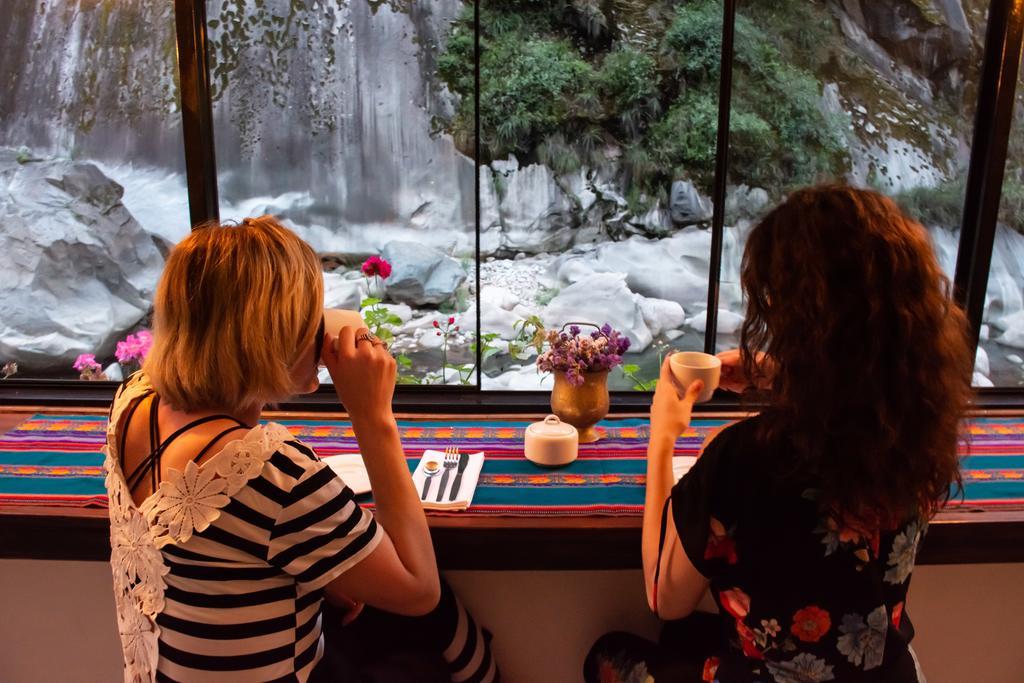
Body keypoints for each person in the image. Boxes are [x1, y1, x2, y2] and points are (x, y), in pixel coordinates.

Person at [586, 186, 973, 682]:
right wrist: (785, 376)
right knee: (686, 642)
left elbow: (664, 596)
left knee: (610, 654)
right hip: (885, 672)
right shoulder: (921, 421)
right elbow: (856, 385)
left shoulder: (747, 457)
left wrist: (662, 436)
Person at [104, 216, 496, 682]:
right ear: (271, 336)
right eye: (311, 316)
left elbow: (219, 551)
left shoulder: (134, 400)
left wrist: (315, 567)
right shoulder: (271, 471)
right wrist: (374, 418)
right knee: (435, 621)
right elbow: (418, 590)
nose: (321, 330)